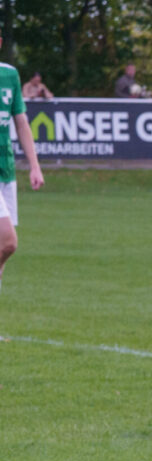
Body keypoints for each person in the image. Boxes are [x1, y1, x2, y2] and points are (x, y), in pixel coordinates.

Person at [0, 38, 45, 294]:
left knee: (1, 248)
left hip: (6, 170)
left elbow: (21, 122)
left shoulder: (10, 75)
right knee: (8, 242)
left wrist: (34, 166)